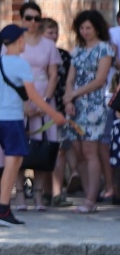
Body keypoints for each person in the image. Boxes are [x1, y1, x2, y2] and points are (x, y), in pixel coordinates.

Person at [0, 24, 67, 227]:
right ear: (18, 40)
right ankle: (3, 210)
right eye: (23, 38)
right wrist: (54, 114)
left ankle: (4, 209)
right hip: (12, 118)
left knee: (14, 162)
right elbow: (34, 96)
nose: (25, 43)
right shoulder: (21, 64)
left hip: (0, 118)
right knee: (13, 163)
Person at [3, 3, 59, 211]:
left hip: (43, 96)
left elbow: (53, 74)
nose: (33, 22)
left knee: (43, 146)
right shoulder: (13, 42)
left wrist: (45, 101)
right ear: (21, 19)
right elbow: (7, 73)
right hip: (18, 98)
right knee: (18, 146)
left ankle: (38, 195)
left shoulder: (48, 45)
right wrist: (24, 103)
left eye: (37, 18)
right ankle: (19, 195)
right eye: (28, 18)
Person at [61, 9, 114, 214]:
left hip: (94, 105)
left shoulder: (104, 49)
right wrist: (68, 98)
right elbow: (70, 78)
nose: (84, 31)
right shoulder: (78, 50)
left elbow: (100, 80)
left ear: (97, 28)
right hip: (75, 105)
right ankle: (86, 194)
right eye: (82, 28)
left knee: (90, 151)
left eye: (88, 28)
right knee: (78, 152)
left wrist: (74, 93)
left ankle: (92, 199)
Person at [45, 18, 76, 206]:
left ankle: (57, 193)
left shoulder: (64, 55)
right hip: (41, 107)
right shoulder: (36, 54)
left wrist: (68, 101)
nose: (54, 36)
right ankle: (45, 191)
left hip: (60, 107)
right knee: (44, 149)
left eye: (56, 32)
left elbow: (68, 82)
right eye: (50, 32)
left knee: (60, 149)